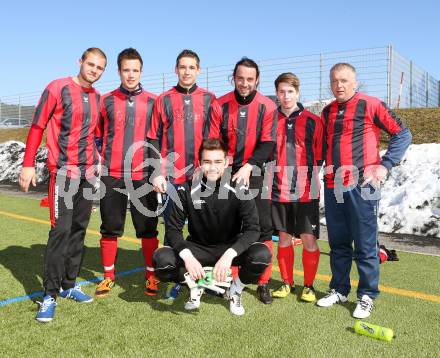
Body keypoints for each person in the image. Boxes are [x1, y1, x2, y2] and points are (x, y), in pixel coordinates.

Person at [316, 63, 412, 318]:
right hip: (333, 186)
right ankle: (339, 289)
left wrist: (385, 165)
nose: (339, 85)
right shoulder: (327, 113)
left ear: (355, 82)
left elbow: (403, 134)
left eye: (344, 80)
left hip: (363, 187)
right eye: (335, 81)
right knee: (337, 243)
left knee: (365, 244)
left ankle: (367, 295)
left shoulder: (370, 104)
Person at [19, 47, 107, 322]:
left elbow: (96, 135)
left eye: (99, 67)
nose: (94, 70)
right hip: (63, 173)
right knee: (61, 231)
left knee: (79, 230)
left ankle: (69, 285)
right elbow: (37, 126)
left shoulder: (98, 99)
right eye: (90, 64)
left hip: (87, 175)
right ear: (80, 62)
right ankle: (50, 295)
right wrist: (28, 164)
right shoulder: (57, 88)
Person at [153, 138, 272, 315]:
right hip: (198, 248)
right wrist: (188, 258)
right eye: (207, 162)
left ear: (226, 163)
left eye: (217, 162)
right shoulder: (186, 189)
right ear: (200, 163)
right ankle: (195, 286)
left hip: (229, 246)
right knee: (161, 260)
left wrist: (229, 255)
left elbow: (253, 229)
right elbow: (173, 229)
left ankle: (236, 289)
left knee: (261, 255)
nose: (212, 167)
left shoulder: (239, 188)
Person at [147, 49, 222, 298]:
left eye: (191, 67)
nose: (187, 71)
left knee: (206, 230)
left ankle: (207, 278)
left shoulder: (210, 99)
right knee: (173, 229)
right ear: (175, 70)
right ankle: (178, 278)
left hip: (202, 178)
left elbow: (214, 139)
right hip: (173, 178)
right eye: (182, 67)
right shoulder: (164, 100)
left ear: (198, 70)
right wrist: (157, 172)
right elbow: (153, 138)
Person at [94, 48, 160, 298]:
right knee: (110, 227)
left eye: (135, 70)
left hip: (142, 175)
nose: (130, 75)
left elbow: (157, 138)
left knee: (148, 228)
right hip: (112, 174)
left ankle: (151, 276)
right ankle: (108, 276)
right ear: (119, 71)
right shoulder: (106, 100)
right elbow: (98, 135)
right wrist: (104, 158)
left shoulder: (154, 101)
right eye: (126, 70)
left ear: (141, 71)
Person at [218, 57, 277, 304]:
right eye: (240, 78)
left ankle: (262, 282)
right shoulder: (220, 104)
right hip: (226, 174)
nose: (244, 83)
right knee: (231, 226)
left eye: (249, 79)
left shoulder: (267, 106)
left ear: (257, 80)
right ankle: (231, 280)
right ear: (233, 77)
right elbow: (214, 140)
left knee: (263, 228)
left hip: (255, 174)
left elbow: (268, 143)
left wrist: (249, 166)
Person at [269, 73, 323, 302]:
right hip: (277, 189)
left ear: (298, 92)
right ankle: (286, 282)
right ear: (277, 93)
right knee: (283, 238)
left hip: (305, 190)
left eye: (290, 91)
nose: (286, 96)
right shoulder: (270, 120)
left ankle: (309, 285)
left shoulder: (313, 120)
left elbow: (319, 155)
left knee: (308, 239)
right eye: (281, 91)